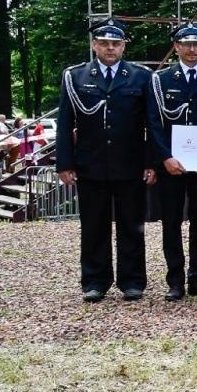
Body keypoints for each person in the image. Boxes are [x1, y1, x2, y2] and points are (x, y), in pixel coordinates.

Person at [57, 18, 155, 302]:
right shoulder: (75, 76)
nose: (110, 48)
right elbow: (64, 123)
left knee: (131, 225)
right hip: (91, 163)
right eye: (104, 43)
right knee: (93, 226)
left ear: (123, 46)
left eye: (116, 43)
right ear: (94, 45)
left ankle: (132, 280)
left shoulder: (141, 76)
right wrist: (65, 163)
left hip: (131, 163)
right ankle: (95, 281)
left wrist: (151, 162)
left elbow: (152, 124)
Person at [148, 23, 197, 301]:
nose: (192, 49)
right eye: (186, 44)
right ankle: (174, 280)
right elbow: (154, 124)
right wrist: (164, 157)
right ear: (176, 47)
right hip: (172, 165)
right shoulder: (161, 79)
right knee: (172, 222)